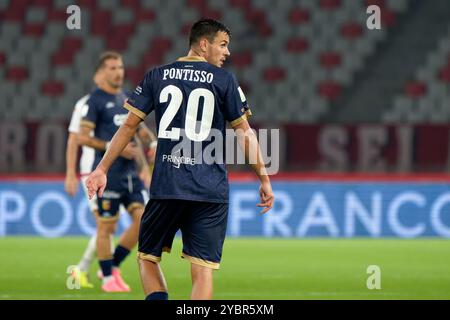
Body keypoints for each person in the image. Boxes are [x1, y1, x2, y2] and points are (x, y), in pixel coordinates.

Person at [85, 19, 274, 300]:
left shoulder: (156, 76)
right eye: (223, 45)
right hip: (211, 191)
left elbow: (128, 127)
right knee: (203, 271)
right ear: (203, 44)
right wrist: (264, 178)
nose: (227, 52)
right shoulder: (225, 80)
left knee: (147, 258)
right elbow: (245, 134)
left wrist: (101, 168)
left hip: (168, 187)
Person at [77, 51, 153, 292]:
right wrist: (114, 148)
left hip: (131, 174)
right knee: (106, 227)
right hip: (107, 173)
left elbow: (139, 131)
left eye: (120, 67)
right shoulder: (95, 101)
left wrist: (152, 145)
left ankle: (112, 265)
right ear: (102, 73)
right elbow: (83, 137)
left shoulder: (127, 97)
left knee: (144, 222)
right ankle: (108, 278)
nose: (118, 71)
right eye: (111, 68)